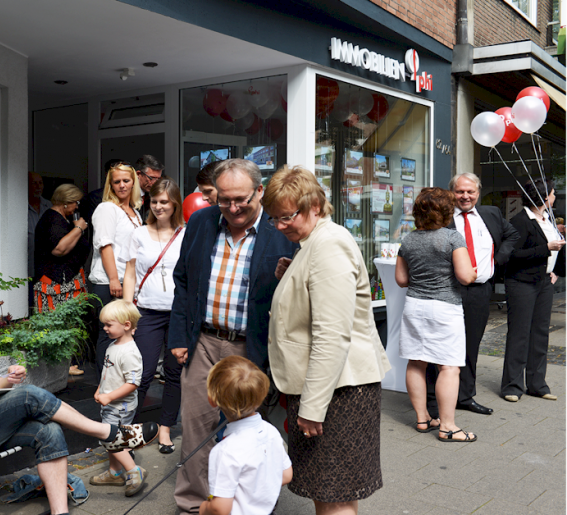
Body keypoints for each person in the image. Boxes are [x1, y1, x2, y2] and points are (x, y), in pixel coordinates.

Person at [0, 287, 160, 515]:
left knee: (49, 430)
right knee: (29, 394)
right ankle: (109, 433)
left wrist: (10, 378)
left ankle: (60, 512)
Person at [168, 158, 297, 514]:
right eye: (224, 199)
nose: (233, 207)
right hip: (203, 342)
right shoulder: (200, 221)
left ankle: (246, 506)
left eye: (241, 198)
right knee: (196, 426)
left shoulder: (280, 231)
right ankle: (194, 506)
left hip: (250, 347)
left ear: (259, 191)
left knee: (250, 429)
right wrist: (178, 335)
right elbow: (183, 280)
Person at [264, 166, 390, 515]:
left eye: (286, 217)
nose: (279, 226)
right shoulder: (313, 243)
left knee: (333, 496)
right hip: (335, 388)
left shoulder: (328, 245)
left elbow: (331, 336)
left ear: (315, 206)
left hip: (338, 392)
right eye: (273, 218)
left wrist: (313, 406)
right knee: (333, 494)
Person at [426, 173, 519, 417]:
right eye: (460, 192)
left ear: (478, 192)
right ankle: (434, 402)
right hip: (449, 290)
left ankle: (465, 396)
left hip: (479, 291)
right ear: (451, 193)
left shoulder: (490, 214)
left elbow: (512, 235)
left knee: (471, 345)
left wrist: (496, 261)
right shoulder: (442, 218)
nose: (465, 196)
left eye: (470, 192)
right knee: (442, 345)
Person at [396, 187, 478, 444]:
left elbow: (401, 280)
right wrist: (473, 272)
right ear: (446, 211)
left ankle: (422, 419)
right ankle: (448, 426)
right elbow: (465, 277)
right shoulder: (453, 238)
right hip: (444, 308)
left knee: (416, 362)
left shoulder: (408, 240)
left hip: (414, 306)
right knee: (449, 367)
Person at [120, 177, 186, 453]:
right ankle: (130, 429)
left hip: (178, 312)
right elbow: (130, 272)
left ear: (175, 204)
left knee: (173, 372)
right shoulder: (138, 233)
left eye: (164, 202)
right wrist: (127, 308)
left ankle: (165, 429)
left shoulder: (185, 233)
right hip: (145, 311)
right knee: (143, 372)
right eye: (155, 202)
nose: (159, 207)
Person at [199, 355, 292, 515]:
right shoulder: (271, 431)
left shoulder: (224, 451)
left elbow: (220, 508)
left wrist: (204, 508)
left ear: (212, 399)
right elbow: (286, 474)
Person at [502, 178, 565, 402]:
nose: (555, 197)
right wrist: (546, 248)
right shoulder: (520, 221)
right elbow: (511, 256)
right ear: (544, 196)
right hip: (521, 283)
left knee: (540, 334)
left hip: (544, 283)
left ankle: (538, 384)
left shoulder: (548, 220)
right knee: (519, 334)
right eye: (553, 193)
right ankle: (512, 386)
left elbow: (557, 251)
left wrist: (556, 270)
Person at [90, 300, 150, 497]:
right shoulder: (112, 346)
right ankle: (115, 473)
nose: (105, 329)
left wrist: (109, 396)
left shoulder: (130, 353)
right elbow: (108, 372)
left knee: (112, 441)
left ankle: (134, 471)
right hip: (111, 404)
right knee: (113, 439)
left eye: (109, 325)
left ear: (126, 325)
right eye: (104, 325)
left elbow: (133, 383)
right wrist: (100, 389)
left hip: (120, 407)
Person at [89, 161, 143, 377]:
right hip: (109, 282)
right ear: (110, 185)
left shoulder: (135, 212)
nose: (121, 185)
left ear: (133, 183)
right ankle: (105, 381)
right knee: (108, 333)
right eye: (116, 182)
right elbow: (105, 245)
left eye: (126, 181)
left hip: (127, 281)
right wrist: (113, 279)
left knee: (124, 332)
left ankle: (118, 378)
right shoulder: (106, 208)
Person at [34, 183, 91, 375]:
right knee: (56, 325)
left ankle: (65, 364)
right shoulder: (52, 220)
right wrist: (79, 229)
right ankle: (59, 367)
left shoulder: (60, 219)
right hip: (54, 282)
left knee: (65, 325)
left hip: (65, 280)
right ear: (66, 203)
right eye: (75, 203)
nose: (77, 207)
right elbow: (59, 249)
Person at [28, 172, 53, 309]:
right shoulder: (21, 207)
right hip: (27, 268)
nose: (38, 186)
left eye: (40, 183)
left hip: (46, 268)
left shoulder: (49, 206)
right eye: (34, 183)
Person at [135, 154, 164, 221]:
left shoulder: (152, 195)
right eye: (152, 178)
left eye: (158, 179)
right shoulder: (126, 195)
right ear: (138, 174)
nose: (154, 183)